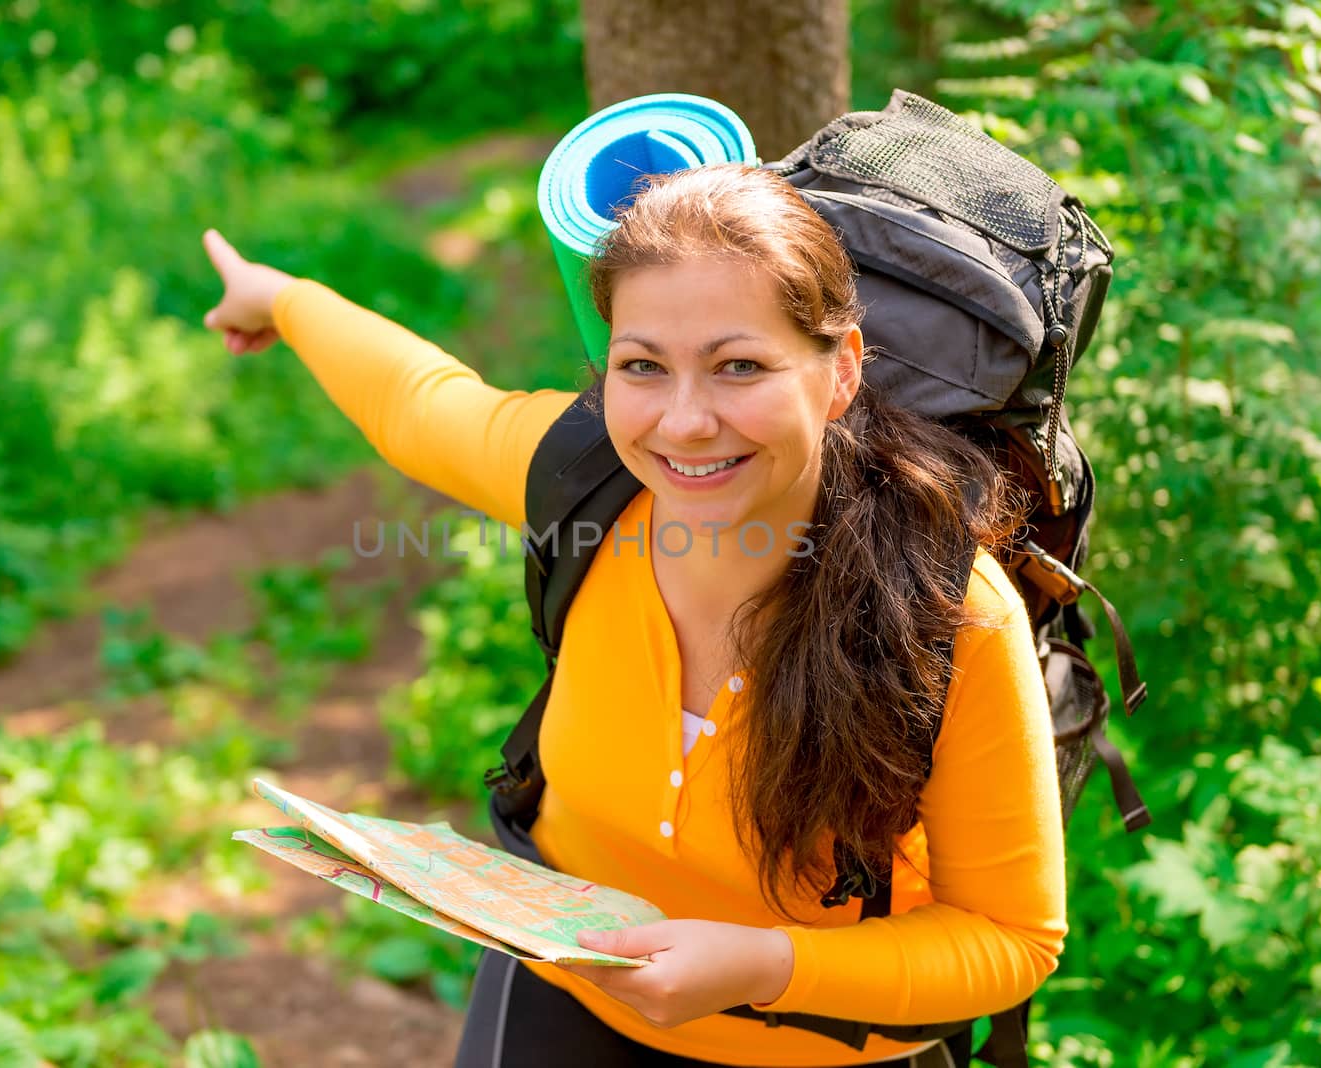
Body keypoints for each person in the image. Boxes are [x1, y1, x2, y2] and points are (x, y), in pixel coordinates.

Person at [201, 163, 1066, 1068]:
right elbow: (416, 404)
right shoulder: (590, 486)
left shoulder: (949, 614)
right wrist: (280, 297)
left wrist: (768, 963)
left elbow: (1011, 939)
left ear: (840, 370)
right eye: (643, 366)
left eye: (740, 366)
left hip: (826, 1050)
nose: (685, 423)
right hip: (564, 1007)